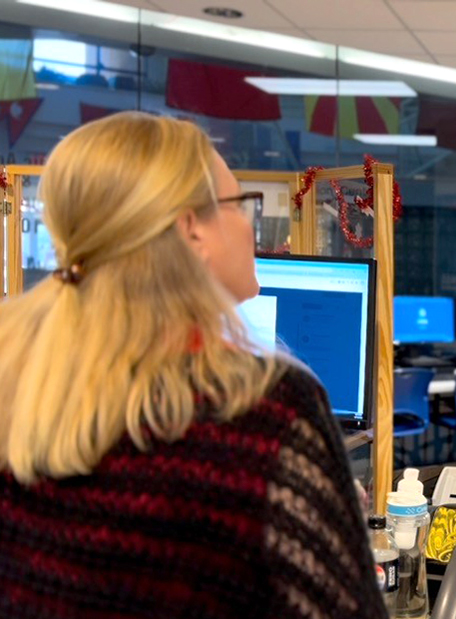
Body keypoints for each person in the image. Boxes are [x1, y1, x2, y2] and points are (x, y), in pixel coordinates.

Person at [0, 112, 386, 619]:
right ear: (192, 230)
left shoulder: (18, 376)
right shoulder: (261, 406)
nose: (253, 228)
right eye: (239, 206)